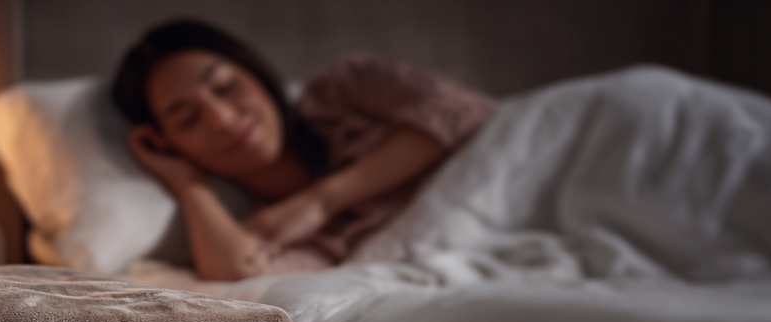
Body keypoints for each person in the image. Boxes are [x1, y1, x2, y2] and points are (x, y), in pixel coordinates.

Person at [112, 20, 495, 280]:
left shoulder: (345, 91)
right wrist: (187, 182)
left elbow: (461, 109)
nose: (222, 119)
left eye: (226, 86)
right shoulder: (273, 229)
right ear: (169, 143)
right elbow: (238, 273)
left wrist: (321, 200)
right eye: (187, 120)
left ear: (254, 73)